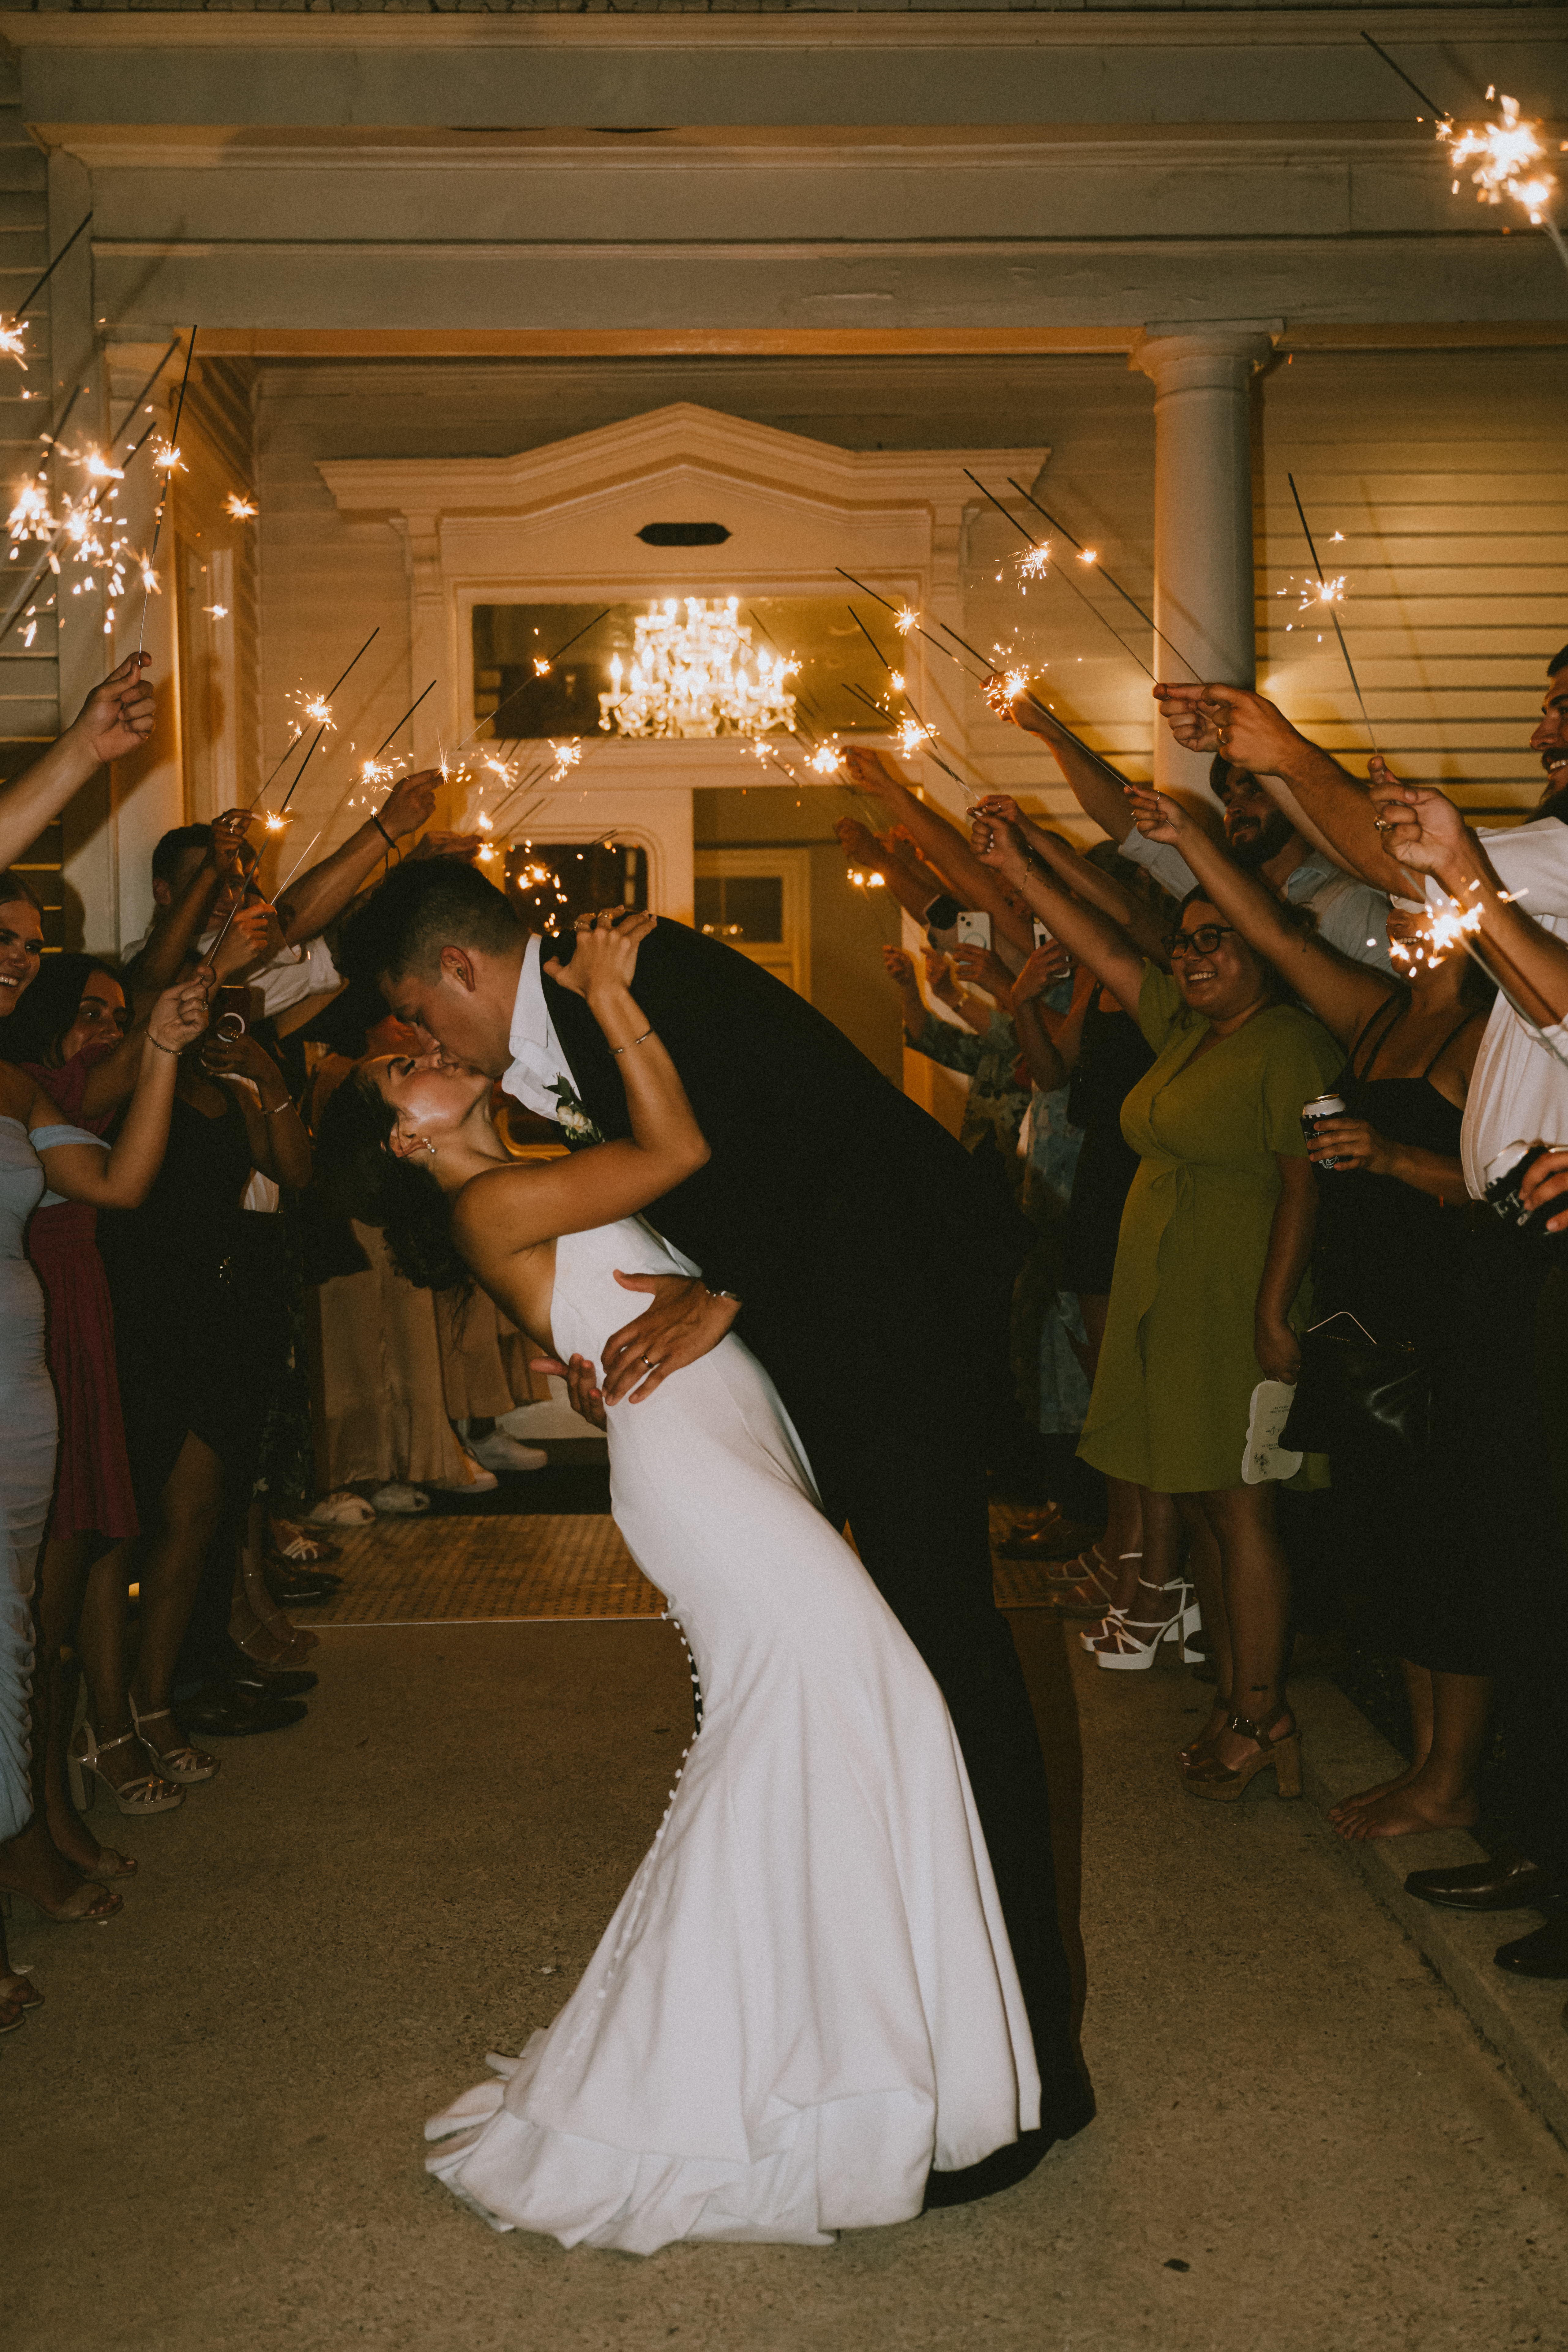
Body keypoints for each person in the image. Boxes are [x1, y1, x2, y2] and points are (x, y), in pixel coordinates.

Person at [335, 855, 1093, 2197]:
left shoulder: (641, 971)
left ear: (454, 967)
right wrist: (633, 1310)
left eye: (417, 1018)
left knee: (944, 1678)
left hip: (895, 1327)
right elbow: (671, 1180)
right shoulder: (547, 1056)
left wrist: (719, 1290)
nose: (424, 1045)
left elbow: (815, 1126)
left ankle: (1027, 2064)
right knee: (876, 1694)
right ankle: (933, 2046)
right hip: (798, 1377)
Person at [1125, 777, 1491, 1837]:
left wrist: (1390, 1154)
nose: (1414, 932)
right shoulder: (1380, 1018)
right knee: (1396, 1549)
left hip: (1447, 1309)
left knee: (1444, 1550)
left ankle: (1449, 1775)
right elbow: (1276, 946)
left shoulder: (1484, 1037)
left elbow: (1497, 1186)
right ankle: (1424, 1763)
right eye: (1406, 917)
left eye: (1432, 916)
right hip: (1366, 1310)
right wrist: (1192, 834)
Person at [972, 799, 1343, 1796]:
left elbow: (1304, 1185)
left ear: (1272, 946)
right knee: (1208, 1511)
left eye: (1218, 939)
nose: (1192, 956)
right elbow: (1107, 940)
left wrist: (1273, 1312)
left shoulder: (1289, 1044)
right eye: (1185, 944)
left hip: (1236, 1301)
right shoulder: (1185, 1029)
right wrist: (1021, 859)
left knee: (1243, 1511)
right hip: (1166, 1303)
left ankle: (1261, 1711)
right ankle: (1232, 1694)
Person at [0, 890, 208, 1931]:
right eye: (4, 939)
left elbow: (120, 1183)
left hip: (37, 1361)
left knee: (33, 1620)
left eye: (28, 946)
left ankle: (35, 1823)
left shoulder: (18, 1086)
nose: (18, 959)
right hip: (28, 1351)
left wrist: (166, 1047)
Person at [995, 680, 1394, 974]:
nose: (1235, 805)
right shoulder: (1220, 890)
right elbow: (1126, 821)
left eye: (1252, 789)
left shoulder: (1351, 900)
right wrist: (1047, 730)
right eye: (1227, 796)